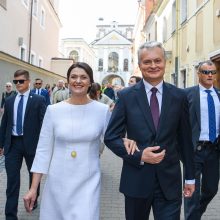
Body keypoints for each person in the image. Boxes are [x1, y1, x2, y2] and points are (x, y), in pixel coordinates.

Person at [104, 41, 195, 220]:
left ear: (164, 62)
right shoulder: (126, 96)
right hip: (136, 181)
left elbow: (185, 140)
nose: (153, 65)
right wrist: (139, 155)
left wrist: (190, 177)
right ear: (139, 66)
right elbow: (111, 137)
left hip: (169, 183)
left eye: (157, 60)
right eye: (147, 62)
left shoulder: (179, 96)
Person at [23, 62, 111, 220]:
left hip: (88, 183)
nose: (78, 80)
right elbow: (43, 151)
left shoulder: (102, 111)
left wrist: (129, 142)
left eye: (83, 77)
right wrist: (33, 188)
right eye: (74, 77)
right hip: (58, 183)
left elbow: (113, 140)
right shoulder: (53, 110)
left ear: (90, 82)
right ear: (68, 80)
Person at [0, 69, 46, 220]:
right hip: (13, 145)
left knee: (34, 175)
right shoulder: (10, 100)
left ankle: (34, 197)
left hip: (32, 145)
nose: (18, 84)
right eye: (15, 82)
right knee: (12, 181)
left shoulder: (38, 100)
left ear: (28, 82)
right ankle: (10, 215)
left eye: (21, 81)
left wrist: (44, 146)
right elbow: (4, 124)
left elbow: (44, 124)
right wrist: (1, 145)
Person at [184, 60, 220, 220]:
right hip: (194, 150)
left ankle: (195, 214)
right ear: (198, 74)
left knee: (211, 189)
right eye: (206, 72)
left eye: (213, 72)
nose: (210, 75)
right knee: (191, 192)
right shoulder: (187, 94)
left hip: (214, 150)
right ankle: (192, 216)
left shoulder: (219, 95)